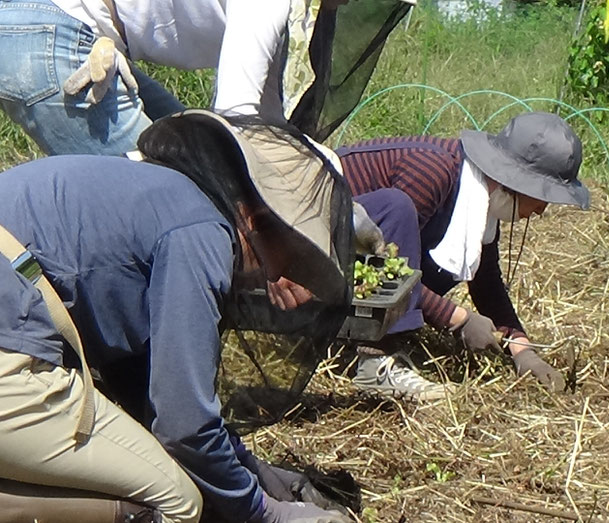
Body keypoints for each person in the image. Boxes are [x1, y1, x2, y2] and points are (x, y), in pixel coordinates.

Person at [0, 110, 365, 522]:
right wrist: (266, 514)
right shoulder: (200, 232)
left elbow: (147, 389)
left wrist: (251, 470)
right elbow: (183, 427)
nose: (285, 278)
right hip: (9, 350)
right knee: (176, 503)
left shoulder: (164, 198)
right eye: (295, 254)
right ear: (255, 220)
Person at [338, 111, 590, 400]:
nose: (541, 211)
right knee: (398, 218)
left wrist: (522, 350)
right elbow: (381, 266)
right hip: (310, 250)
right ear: (519, 182)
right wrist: (456, 319)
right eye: (543, 196)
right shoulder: (431, 171)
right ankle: (375, 363)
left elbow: (487, 285)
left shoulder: (479, 199)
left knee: (433, 266)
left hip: (345, 266)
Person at [0, 0, 348, 155]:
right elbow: (234, 116)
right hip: (48, 34)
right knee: (172, 207)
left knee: (192, 153)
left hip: (72, 30)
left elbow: (267, 121)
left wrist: (328, 190)